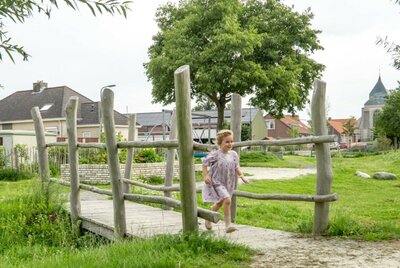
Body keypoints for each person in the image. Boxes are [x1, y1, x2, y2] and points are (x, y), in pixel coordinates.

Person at [202, 129, 249, 233]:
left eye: (231, 141)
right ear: (220, 143)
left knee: (219, 203)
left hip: (229, 182)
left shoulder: (233, 154)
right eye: (227, 142)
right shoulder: (216, 154)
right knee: (227, 200)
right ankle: (228, 225)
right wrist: (205, 176)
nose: (230, 144)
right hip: (217, 182)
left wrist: (242, 176)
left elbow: (236, 167)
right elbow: (204, 163)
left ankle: (208, 217)